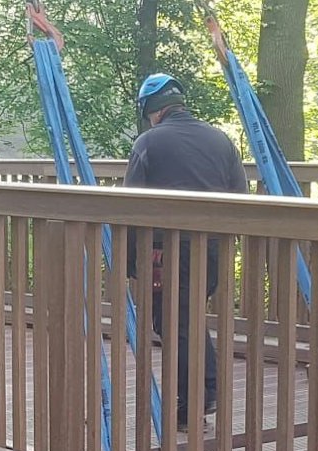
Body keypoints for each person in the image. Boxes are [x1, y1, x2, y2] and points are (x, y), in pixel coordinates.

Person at [124, 73, 247, 426]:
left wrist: (132, 258)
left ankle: (198, 397)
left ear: (153, 109)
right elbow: (239, 196)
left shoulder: (149, 143)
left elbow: (130, 204)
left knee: (174, 323)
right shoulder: (221, 140)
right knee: (188, 318)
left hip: (168, 250)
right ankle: (198, 396)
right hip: (212, 249)